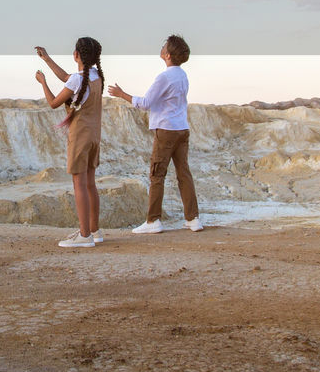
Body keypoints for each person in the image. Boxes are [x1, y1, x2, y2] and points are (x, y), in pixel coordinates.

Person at [108, 34, 202, 233]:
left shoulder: (164, 77)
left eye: (164, 46)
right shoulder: (182, 75)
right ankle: (193, 219)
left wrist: (121, 93)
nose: (161, 48)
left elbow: (145, 103)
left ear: (167, 55)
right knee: (183, 173)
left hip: (166, 130)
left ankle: (153, 221)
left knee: (157, 174)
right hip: (182, 128)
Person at [35, 37, 104, 248]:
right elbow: (68, 77)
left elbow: (54, 103)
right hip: (94, 136)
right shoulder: (96, 76)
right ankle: (94, 230)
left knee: (79, 185)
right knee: (90, 184)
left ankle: (84, 236)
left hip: (80, 136)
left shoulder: (78, 80)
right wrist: (46, 58)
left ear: (76, 55)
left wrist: (43, 83)